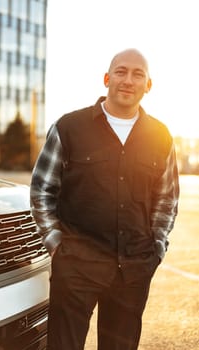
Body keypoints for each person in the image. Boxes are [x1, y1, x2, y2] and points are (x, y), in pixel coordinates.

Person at [30, 48, 180, 350]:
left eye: (138, 74)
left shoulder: (161, 136)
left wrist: (157, 248)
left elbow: (167, 200)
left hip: (134, 269)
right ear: (106, 78)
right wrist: (57, 245)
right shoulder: (69, 128)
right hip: (76, 267)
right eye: (121, 71)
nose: (128, 80)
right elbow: (42, 191)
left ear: (148, 85)